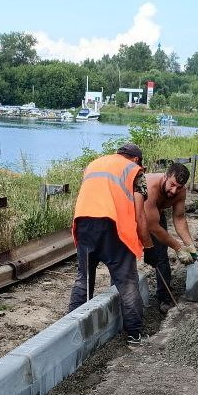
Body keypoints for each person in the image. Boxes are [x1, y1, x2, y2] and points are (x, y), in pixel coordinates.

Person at [68, 143, 152, 344]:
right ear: (136, 159)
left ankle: (69, 331)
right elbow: (140, 214)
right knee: (127, 282)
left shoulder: (94, 164)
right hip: (113, 228)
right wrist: (147, 245)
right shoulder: (134, 170)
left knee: (83, 279)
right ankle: (134, 335)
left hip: (84, 223)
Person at [143, 163, 197, 314]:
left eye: (179, 187)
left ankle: (164, 298)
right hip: (132, 216)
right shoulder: (150, 186)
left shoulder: (180, 192)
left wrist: (190, 246)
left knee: (161, 257)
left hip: (155, 216)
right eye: (172, 184)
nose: (174, 191)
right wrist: (179, 248)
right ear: (165, 176)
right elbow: (152, 227)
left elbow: (179, 218)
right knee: (125, 259)